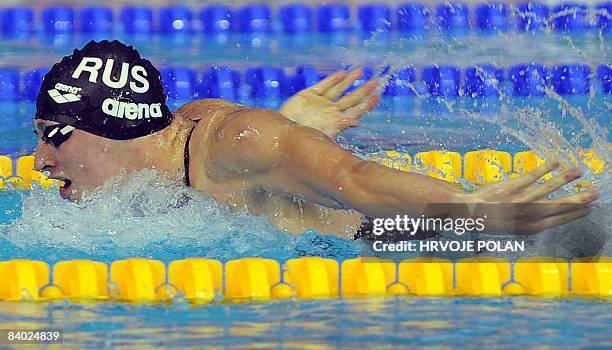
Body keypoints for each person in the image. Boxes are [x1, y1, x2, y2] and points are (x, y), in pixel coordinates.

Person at [33, 40, 599, 239]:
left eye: (53, 137)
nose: (40, 161)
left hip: (412, 240)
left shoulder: (236, 142)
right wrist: (291, 133)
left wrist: (464, 212)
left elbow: (356, 180)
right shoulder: (177, 140)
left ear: (109, 127)